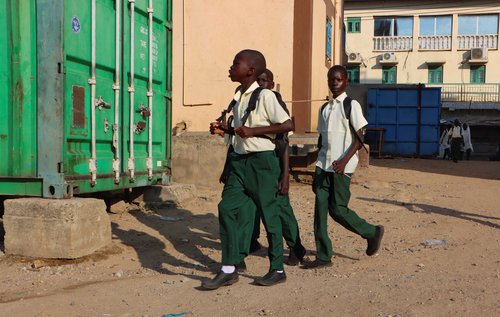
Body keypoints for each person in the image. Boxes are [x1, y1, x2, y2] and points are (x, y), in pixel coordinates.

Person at [203, 49, 293, 289]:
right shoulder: (238, 96)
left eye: (236, 63)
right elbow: (243, 131)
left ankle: (277, 268)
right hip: (240, 162)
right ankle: (230, 267)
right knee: (226, 208)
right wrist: (227, 130)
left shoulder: (266, 96)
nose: (231, 67)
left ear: (251, 71)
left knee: (268, 215)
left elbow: (288, 124)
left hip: (262, 163)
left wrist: (253, 131)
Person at [303, 65, 384, 269]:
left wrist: (344, 161)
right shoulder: (324, 108)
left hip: (342, 167)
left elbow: (359, 139)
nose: (334, 83)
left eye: (338, 79)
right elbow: (323, 139)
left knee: (338, 209)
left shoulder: (351, 105)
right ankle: (323, 255)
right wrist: (314, 160)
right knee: (320, 211)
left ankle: (372, 232)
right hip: (324, 166)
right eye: (331, 79)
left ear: (346, 81)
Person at [247, 69, 306, 266]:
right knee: (256, 207)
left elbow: (284, 143)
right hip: (258, 164)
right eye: (259, 80)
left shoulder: (274, 103)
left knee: (281, 208)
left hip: (276, 163)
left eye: (265, 81)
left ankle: (295, 246)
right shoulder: (252, 101)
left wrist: (285, 176)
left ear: (272, 84)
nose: (262, 83)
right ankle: (251, 242)